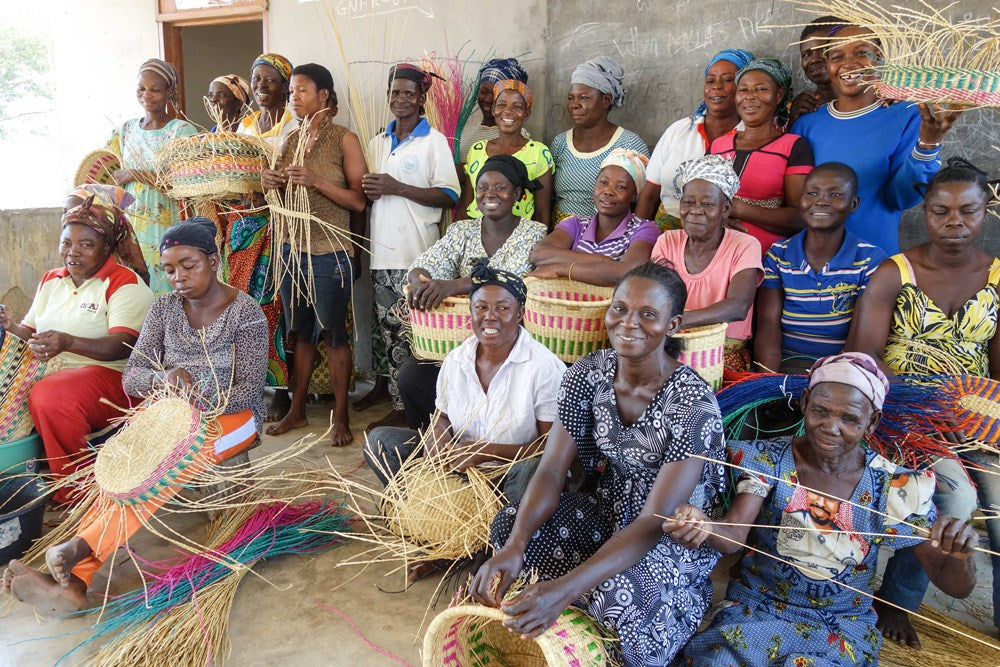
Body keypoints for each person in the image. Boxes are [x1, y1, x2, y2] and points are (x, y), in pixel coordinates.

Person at [1, 218, 266, 615]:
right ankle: (74, 582)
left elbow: (247, 388)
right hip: (170, 415)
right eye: (169, 269)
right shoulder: (164, 308)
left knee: (160, 468)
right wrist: (163, 379)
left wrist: (194, 399)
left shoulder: (246, 313)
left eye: (189, 265)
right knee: (122, 468)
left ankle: (81, 555)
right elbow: (134, 377)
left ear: (213, 260)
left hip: (232, 419)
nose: (178, 277)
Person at [471, 261, 728, 666]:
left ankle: (678, 601)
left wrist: (565, 589)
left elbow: (652, 520)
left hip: (667, 531)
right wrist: (516, 544)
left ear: (673, 324)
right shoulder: (587, 375)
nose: (629, 323)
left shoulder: (692, 405)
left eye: (648, 314)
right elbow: (553, 470)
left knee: (616, 597)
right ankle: (558, 605)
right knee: (509, 529)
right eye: (620, 308)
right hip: (608, 508)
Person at [668, 352, 979, 666]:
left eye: (849, 419)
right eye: (821, 411)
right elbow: (732, 536)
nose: (831, 427)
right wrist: (703, 525)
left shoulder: (892, 487)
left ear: (872, 422)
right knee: (718, 661)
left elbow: (956, 587)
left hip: (839, 625)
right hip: (756, 609)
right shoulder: (769, 460)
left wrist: (959, 555)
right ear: (805, 403)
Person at [846, 157, 999, 647]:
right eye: (940, 211)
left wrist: (982, 418)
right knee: (955, 498)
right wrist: (931, 410)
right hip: (900, 408)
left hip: (975, 412)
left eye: (967, 211)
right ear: (925, 212)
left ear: (985, 212)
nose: (954, 222)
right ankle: (895, 602)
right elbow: (866, 355)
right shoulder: (895, 272)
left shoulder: (997, 275)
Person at [364, 262, 565, 580]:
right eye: (481, 307)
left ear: (520, 312)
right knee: (380, 443)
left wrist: (486, 452)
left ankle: (492, 548)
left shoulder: (544, 367)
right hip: (460, 469)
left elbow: (550, 446)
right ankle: (436, 532)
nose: (490, 317)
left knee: (534, 471)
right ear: (469, 312)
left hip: (507, 477)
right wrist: (437, 440)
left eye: (503, 308)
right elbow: (441, 416)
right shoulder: (457, 360)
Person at [0, 197, 153, 504]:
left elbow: (124, 344)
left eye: (86, 244)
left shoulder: (124, 282)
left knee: (50, 395)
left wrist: (68, 342)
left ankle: (76, 491)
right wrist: (8, 325)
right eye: (66, 243)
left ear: (106, 247)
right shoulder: (51, 280)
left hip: (116, 380)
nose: (73, 252)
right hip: (53, 372)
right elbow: (29, 333)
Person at [261, 64, 367, 448]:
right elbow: (277, 194)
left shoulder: (344, 139)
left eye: (301, 90)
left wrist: (318, 181)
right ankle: (298, 409)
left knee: (334, 335)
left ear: (324, 95)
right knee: (300, 334)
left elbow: (358, 199)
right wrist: (269, 183)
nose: (293, 97)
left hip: (329, 251)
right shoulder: (289, 140)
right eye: (291, 92)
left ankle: (341, 416)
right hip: (292, 251)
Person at [791, 24, 961, 254]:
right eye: (837, 56)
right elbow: (794, 203)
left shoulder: (906, 114)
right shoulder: (806, 124)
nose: (849, 64)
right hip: (812, 264)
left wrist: (928, 144)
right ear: (828, 64)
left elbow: (901, 198)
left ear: (880, 57)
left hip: (875, 264)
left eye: (861, 53)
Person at [360, 63, 462, 430]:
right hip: (382, 254)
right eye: (395, 93)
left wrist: (396, 186)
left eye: (408, 93)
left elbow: (450, 194)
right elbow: (368, 196)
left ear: (421, 99)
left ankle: (424, 408)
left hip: (419, 255)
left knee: (418, 333)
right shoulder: (376, 142)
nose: (401, 99)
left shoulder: (434, 142)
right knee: (390, 333)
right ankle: (401, 407)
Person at [754, 163, 887, 374]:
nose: (821, 201)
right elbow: (768, 326)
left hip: (843, 368)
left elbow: (860, 342)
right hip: (787, 365)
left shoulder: (869, 259)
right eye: (812, 193)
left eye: (835, 194)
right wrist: (768, 383)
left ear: (853, 203)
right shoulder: (778, 254)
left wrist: (834, 379)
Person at [650, 155, 762, 371]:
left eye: (708, 204)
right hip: (669, 346)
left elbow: (738, 307)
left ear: (726, 210)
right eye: (688, 202)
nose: (695, 210)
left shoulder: (745, 245)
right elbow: (653, 293)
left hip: (719, 355)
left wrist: (676, 322)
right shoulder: (668, 241)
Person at [635, 48, 753, 230]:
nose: (717, 86)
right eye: (710, 80)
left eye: (728, 80)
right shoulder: (679, 131)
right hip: (666, 229)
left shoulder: (753, 136)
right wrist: (634, 238)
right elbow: (650, 195)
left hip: (720, 234)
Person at [107, 58, 198, 293]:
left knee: (167, 283)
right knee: (133, 287)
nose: (147, 95)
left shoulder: (182, 131)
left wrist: (134, 173)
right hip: (131, 222)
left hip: (167, 221)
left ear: (169, 92)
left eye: (155, 89)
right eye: (141, 88)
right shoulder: (125, 130)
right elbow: (109, 176)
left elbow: (182, 182)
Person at [709, 58, 814, 253]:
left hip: (767, 259)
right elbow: (701, 198)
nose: (750, 97)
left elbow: (800, 217)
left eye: (761, 89)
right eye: (743, 90)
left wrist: (739, 209)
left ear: (779, 95)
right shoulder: (718, 146)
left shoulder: (792, 146)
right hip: (714, 255)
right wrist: (719, 213)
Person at [529, 148, 659, 286]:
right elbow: (539, 254)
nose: (608, 191)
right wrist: (603, 261)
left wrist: (561, 268)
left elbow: (629, 270)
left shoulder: (644, 228)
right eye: (603, 182)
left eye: (620, 187)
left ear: (634, 195)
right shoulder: (576, 223)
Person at [550, 56, 649, 223]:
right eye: (571, 98)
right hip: (559, 233)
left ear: (606, 100)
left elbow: (641, 200)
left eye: (584, 97)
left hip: (606, 236)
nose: (574, 104)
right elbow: (549, 197)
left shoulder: (630, 145)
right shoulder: (560, 143)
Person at [456, 80, 553, 226]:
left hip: (518, 239)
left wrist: (536, 244)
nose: (508, 111)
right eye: (501, 105)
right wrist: (455, 237)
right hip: (475, 235)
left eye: (518, 106)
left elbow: (542, 213)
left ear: (526, 114)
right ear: (494, 109)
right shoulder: (477, 150)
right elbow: (466, 205)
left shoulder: (539, 153)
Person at [455, 57, 531, 177]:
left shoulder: (519, 136)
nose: (488, 99)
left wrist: (461, 171)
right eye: (484, 91)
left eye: (495, 94)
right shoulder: (463, 132)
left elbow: (507, 175)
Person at [63, 184, 150, 286]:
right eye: (65, 212)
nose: (68, 219)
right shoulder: (57, 278)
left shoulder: (126, 283)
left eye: (79, 214)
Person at [787, 16, 844, 127]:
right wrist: (793, 121)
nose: (814, 59)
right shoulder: (802, 107)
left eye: (823, 49)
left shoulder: (879, 100)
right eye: (806, 54)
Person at [237, 53, 299, 151]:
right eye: (256, 79)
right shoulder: (245, 126)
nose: (261, 85)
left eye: (270, 80)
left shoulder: (295, 130)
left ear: (286, 87)